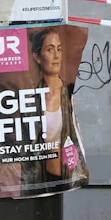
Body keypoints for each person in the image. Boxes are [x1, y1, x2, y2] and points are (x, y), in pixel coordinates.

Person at [31, 26, 87, 189]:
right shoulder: (31, 96)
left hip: (65, 176)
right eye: (49, 49)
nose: (56, 56)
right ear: (37, 57)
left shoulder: (68, 92)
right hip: (38, 180)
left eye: (59, 49)